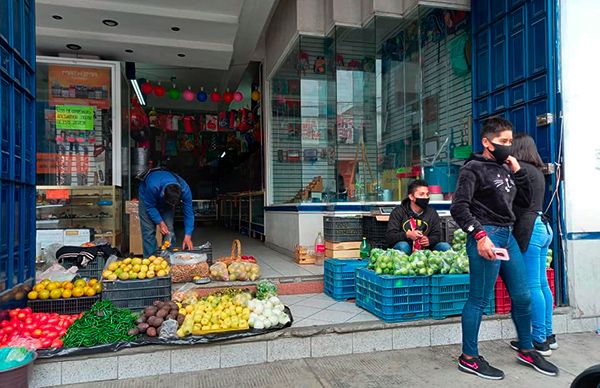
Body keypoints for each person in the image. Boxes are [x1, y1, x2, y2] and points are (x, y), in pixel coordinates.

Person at [450, 117, 558, 379]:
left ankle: (525, 347)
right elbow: (459, 207)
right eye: (503, 142)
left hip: (507, 236)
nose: (508, 146)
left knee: (522, 296)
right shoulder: (472, 168)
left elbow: (521, 201)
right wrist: (480, 236)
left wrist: (518, 171)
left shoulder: (506, 168)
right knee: (479, 299)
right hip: (487, 235)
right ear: (487, 142)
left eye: (510, 141)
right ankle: (469, 357)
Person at [509, 133, 557, 356]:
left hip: (530, 228)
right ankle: (548, 335)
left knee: (533, 286)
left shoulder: (521, 170)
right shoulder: (538, 171)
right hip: (543, 226)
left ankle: (538, 340)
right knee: (542, 284)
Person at [138, 168, 194, 258]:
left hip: (166, 199)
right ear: (163, 193)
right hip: (147, 198)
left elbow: (189, 213)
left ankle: (169, 257)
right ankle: (151, 260)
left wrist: (188, 235)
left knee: (169, 230)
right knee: (148, 232)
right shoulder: (153, 186)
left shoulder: (185, 189)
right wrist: (160, 222)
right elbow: (150, 206)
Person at [386, 179, 451, 255]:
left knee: (445, 246)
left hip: (426, 251)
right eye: (421, 194)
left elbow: (437, 235)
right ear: (411, 197)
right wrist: (407, 235)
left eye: (427, 194)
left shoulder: (432, 213)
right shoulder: (398, 212)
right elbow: (390, 237)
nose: (425, 197)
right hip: (405, 250)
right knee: (403, 246)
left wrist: (429, 240)